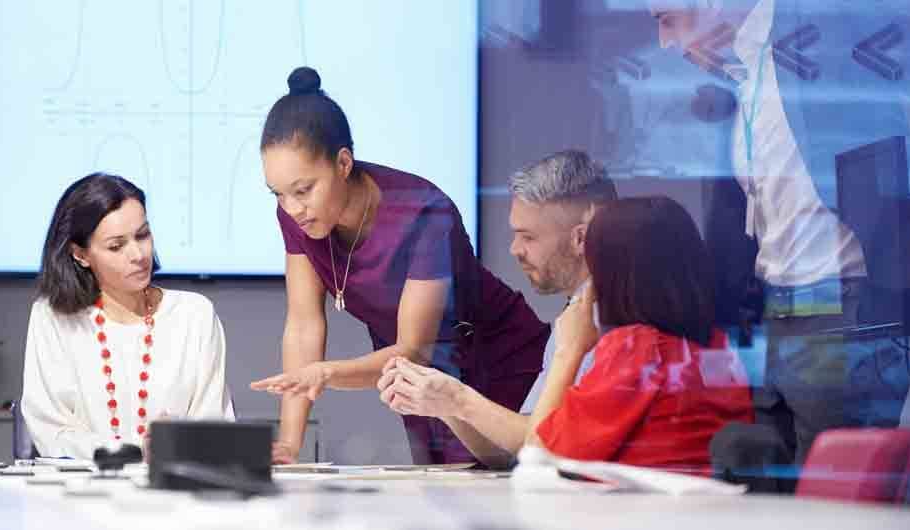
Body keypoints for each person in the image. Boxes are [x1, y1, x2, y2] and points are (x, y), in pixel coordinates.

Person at [649, 0, 910, 482]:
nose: (664, 42)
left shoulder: (825, 36)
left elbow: (899, 157)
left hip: (837, 300)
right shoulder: (747, 75)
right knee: (766, 475)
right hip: (778, 310)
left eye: (666, 18)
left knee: (826, 482)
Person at [250, 67, 549, 465]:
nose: (292, 208)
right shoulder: (296, 214)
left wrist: (325, 373)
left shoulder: (422, 211)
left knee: (507, 492)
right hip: (414, 377)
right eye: (279, 194)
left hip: (494, 359)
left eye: (303, 190)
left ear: (343, 163)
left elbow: (414, 348)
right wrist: (289, 442)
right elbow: (304, 324)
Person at [377, 150, 617, 468]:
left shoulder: (605, 322)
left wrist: (458, 399)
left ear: (580, 239)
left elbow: (538, 446)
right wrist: (443, 404)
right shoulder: (574, 318)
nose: (515, 249)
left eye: (528, 237)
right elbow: (515, 452)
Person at [527, 197, 754, 472]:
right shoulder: (718, 347)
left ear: (611, 277)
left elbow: (537, 456)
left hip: (640, 511)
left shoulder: (637, 350)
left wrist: (568, 351)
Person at [21, 173, 235, 459]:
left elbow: (215, 427)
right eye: (116, 246)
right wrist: (135, 450)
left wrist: (179, 442)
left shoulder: (194, 316)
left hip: (176, 493)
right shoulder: (52, 317)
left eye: (143, 235)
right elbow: (51, 432)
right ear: (80, 255)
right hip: (81, 495)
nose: (138, 254)